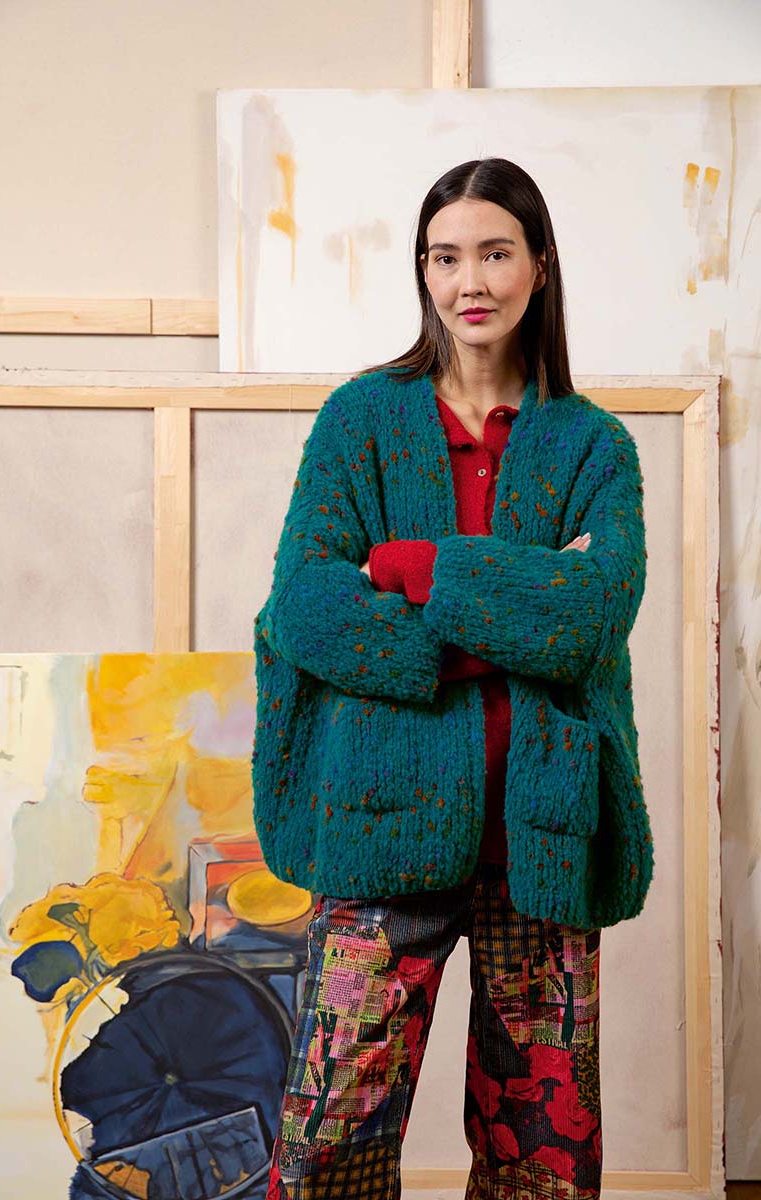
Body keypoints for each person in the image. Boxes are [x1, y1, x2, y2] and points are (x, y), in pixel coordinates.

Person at [252, 157, 652, 1200]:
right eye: (444, 257)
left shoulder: (593, 445)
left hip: (541, 834)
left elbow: (591, 615)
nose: (468, 280)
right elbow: (306, 606)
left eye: (494, 252)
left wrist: (415, 569)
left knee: (541, 1158)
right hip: (377, 823)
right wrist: (514, 611)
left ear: (539, 265)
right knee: (328, 1142)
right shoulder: (361, 421)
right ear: (422, 272)